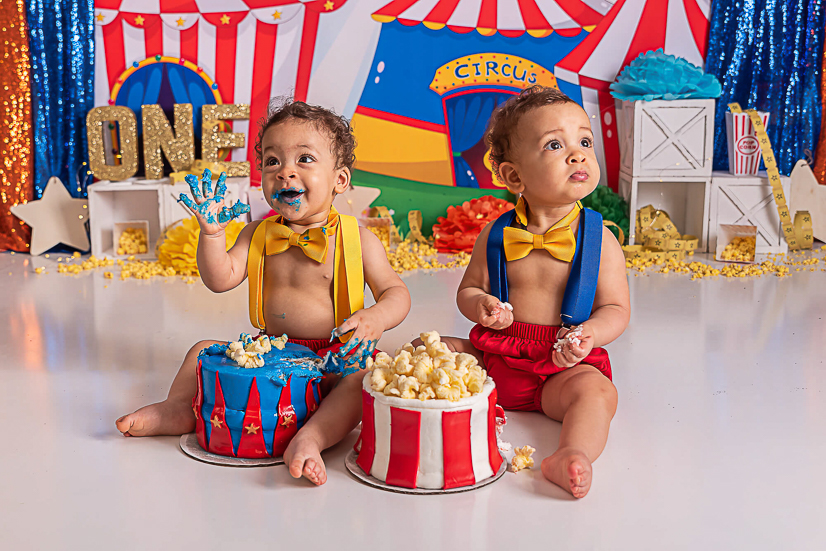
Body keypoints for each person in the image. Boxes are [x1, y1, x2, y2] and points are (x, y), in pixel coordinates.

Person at [116, 99, 411, 486]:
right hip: (270, 353)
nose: (285, 171)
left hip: (334, 357)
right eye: (272, 162)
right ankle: (178, 409)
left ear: (340, 180)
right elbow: (220, 279)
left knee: (362, 381)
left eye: (304, 159)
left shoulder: (359, 239)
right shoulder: (256, 233)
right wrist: (213, 235)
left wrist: (376, 317)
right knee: (202, 349)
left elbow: (396, 292)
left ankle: (312, 437)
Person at [437, 86, 629, 498]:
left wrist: (589, 336)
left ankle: (572, 453)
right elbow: (469, 289)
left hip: (559, 367)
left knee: (597, 392)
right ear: (513, 176)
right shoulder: (496, 233)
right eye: (555, 145)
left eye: (584, 141)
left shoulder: (600, 240)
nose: (577, 154)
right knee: (430, 348)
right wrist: (483, 306)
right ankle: (422, 414)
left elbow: (615, 308)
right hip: (495, 357)